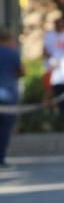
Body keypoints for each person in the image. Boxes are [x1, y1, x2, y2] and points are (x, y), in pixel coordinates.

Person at [0, 27, 24, 167]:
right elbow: (22, 71)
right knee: (5, 129)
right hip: (9, 94)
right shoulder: (12, 53)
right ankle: (1, 158)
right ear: (9, 40)